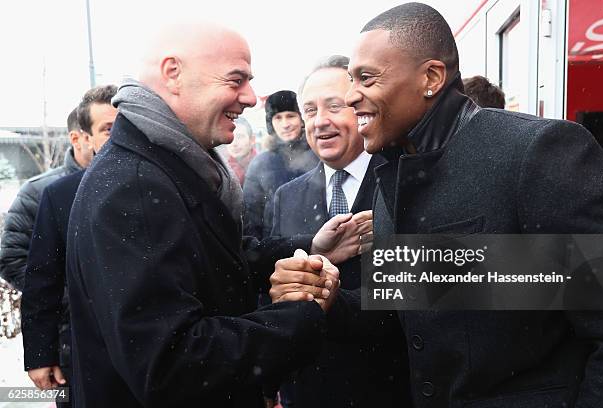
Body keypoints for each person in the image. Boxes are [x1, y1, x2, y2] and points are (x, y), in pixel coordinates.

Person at [270, 3, 603, 407]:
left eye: (366, 78)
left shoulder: (536, 152)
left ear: (431, 77)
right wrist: (331, 297)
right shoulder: (394, 175)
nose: (351, 96)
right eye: (350, 79)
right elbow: (412, 305)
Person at [65, 22, 347, 408]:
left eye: (338, 104)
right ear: (173, 73)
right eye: (236, 80)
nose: (250, 98)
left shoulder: (169, 167)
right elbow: (172, 363)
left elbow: (211, 264)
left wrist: (307, 249)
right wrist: (303, 314)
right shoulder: (134, 185)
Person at [271, 54, 410, 407]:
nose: (320, 122)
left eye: (334, 106)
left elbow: (418, 299)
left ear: (361, 108)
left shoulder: (405, 181)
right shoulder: (287, 197)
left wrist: (333, 301)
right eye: (310, 110)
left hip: (387, 389)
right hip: (308, 391)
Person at [21, 85, 118, 407]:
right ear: (86, 138)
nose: (119, 135)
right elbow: (41, 281)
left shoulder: (164, 186)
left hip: (156, 350)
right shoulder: (60, 196)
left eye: (125, 125)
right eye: (107, 129)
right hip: (84, 349)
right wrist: (39, 354)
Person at [0, 108, 92, 291]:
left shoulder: (131, 185)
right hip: (70, 318)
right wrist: (71, 302)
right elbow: (13, 259)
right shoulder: (38, 192)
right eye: (107, 129)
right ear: (77, 139)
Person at [243, 90, 318, 239]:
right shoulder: (260, 164)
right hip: (278, 248)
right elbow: (252, 217)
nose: (285, 124)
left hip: (322, 244)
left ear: (301, 118)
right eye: (278, 118)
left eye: (290, 116)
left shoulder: (320, 154)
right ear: (271, 123)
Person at [226, 116, 256, 185]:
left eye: (239, 137)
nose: (234, 143)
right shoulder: (222, 168)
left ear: (252, 140)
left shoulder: (261, 165)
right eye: (230, 137)